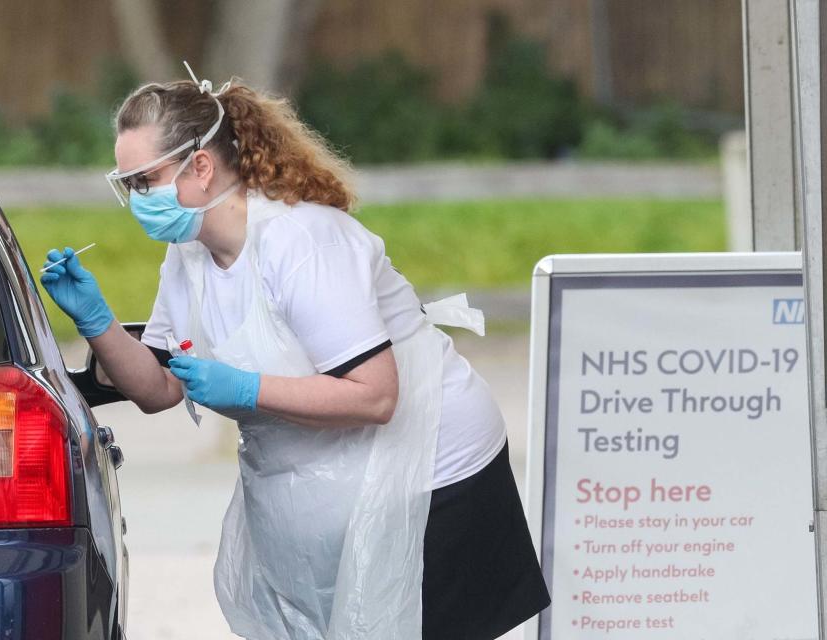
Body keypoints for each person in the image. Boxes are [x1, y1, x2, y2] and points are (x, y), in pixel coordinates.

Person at [41, 65, 550, 639]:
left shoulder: (300, 242)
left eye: (144, 180)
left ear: (200, 167)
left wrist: (245, 389)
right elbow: (157, 390)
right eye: (127, 184)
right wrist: (96, 320)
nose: (135, 200)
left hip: (436, 471)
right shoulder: (187, 258)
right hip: (341, 485)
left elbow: (377, 395)